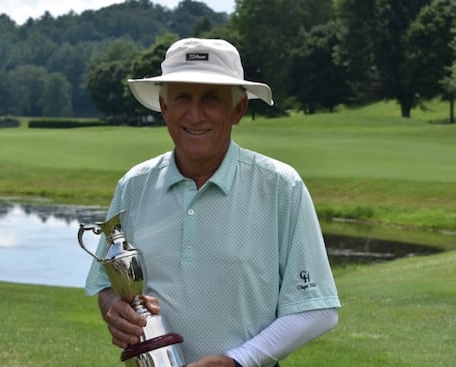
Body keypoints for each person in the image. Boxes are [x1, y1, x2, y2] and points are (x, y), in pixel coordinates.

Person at [85, 38, 341, 367]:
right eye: (182, 98)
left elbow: (316, 309)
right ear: (164, 107)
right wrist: (114, 310)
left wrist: (237, 361)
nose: (194, 114)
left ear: (238, 110)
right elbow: (105, 284)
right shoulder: (134, 186)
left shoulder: (280, 186)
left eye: (211, 99)